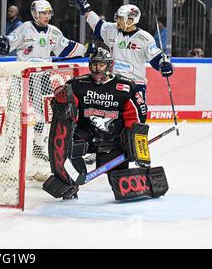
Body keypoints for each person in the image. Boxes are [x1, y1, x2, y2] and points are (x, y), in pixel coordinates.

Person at [44, 48, 167, 201]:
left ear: (109, 66)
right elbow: (66, 108)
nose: (97, 69)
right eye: (94, 65)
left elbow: (137, 114)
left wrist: (132, 139)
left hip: (112, 139)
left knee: (118, 180)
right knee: (69, 150)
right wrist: (61, 101)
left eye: (101, 65)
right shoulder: (78, 84)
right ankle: (69, 183)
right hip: (84, 134)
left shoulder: (125, 86)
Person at [0, 0, 93, 160]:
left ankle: (38, 146)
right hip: (21, 75)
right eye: (43, 13)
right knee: (13, 112)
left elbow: (66, 47)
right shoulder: (25, 28)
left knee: (43, 114)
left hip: (42, 77)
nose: (47, 16)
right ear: (35, 14)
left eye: (48, 13)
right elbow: (10, 41)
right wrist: (3, 43)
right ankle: (9, 148)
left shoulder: (53, 32)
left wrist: (87, 50)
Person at [68, 0, 174, 104]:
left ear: (130, 20)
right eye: (117, 17)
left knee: (137, 118)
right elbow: (97, 25)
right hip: (113, 82)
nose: (117, 20)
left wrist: (164, 65)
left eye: (120, 18)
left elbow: (156, 58)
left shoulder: (145, 38)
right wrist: (87, 11)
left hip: (135, 85)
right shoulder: (112, 29)